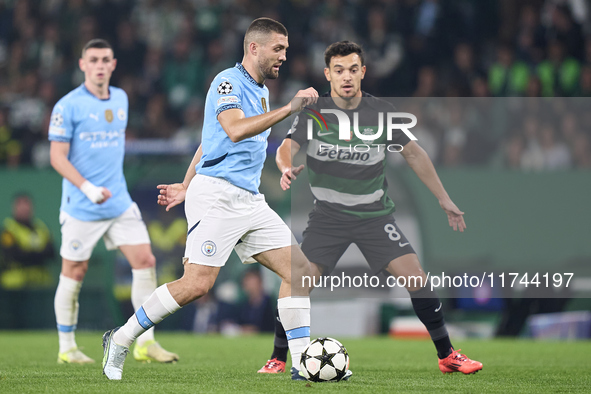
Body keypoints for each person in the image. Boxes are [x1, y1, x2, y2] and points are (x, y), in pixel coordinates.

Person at [101, 18, 317, 381]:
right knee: (197, 285)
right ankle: (121, 338)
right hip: (217, 196)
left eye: (286, 49)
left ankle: (302, 366)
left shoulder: (259, 90)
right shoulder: (227, 82)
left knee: (301, 271)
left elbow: (209, 140)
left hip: (249, 199)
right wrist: (289, 109)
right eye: (277, 48)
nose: (283, 56)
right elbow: (232, 130)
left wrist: (185, 184)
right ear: (254, 48)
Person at [257, 41, 483, 376]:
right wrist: (286, 166)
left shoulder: (382, 112)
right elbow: (285, 148)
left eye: (352, 69)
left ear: (362, 72)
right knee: (297, 278)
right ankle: (278, 357)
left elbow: (415, 154)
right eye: (338, 70)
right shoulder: (315, 114)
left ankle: (447, 355)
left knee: (416, 278)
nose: (346, 76)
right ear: (327, 75)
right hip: (328, 218)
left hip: (375, 217)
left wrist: (443, 198)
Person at [48, 39, 178, 364]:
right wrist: (88, 188)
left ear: (114, 64)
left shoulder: (120, 98)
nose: (100, 65)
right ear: (82, 65)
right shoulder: (67, 106)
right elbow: (57, 157)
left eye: (105, 59)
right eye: (93, 60)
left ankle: (145, 343)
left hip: (119, 201)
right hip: (82, 204)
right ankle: (67, 348)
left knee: (146, 261)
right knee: (74, 273)